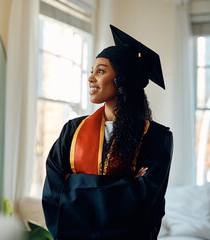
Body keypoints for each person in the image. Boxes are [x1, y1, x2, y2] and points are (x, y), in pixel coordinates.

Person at [42, 25, 173, 240]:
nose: (91, 78)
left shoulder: (157, 138)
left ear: (123, 78)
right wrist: (128, 185)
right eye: (92, 71)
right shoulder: (72, 131)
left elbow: (147, 204)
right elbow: (53, 194)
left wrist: (73, 184)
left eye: (100, 71)